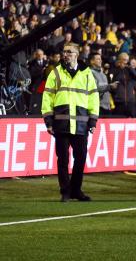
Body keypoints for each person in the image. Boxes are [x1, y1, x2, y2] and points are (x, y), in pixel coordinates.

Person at [41, 45, 99, 202]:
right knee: (63, 160)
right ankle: (65, 191)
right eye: (64, 52)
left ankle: (76, 190)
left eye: (69, 52)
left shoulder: (87, 74)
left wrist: (93, 120)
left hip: (81, 124)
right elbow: (47, 98)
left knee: (80, 159)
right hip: (61, 124)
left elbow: (93, 97)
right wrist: (48, 121)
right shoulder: (55, 73)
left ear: (77, 55)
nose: (65, 55)